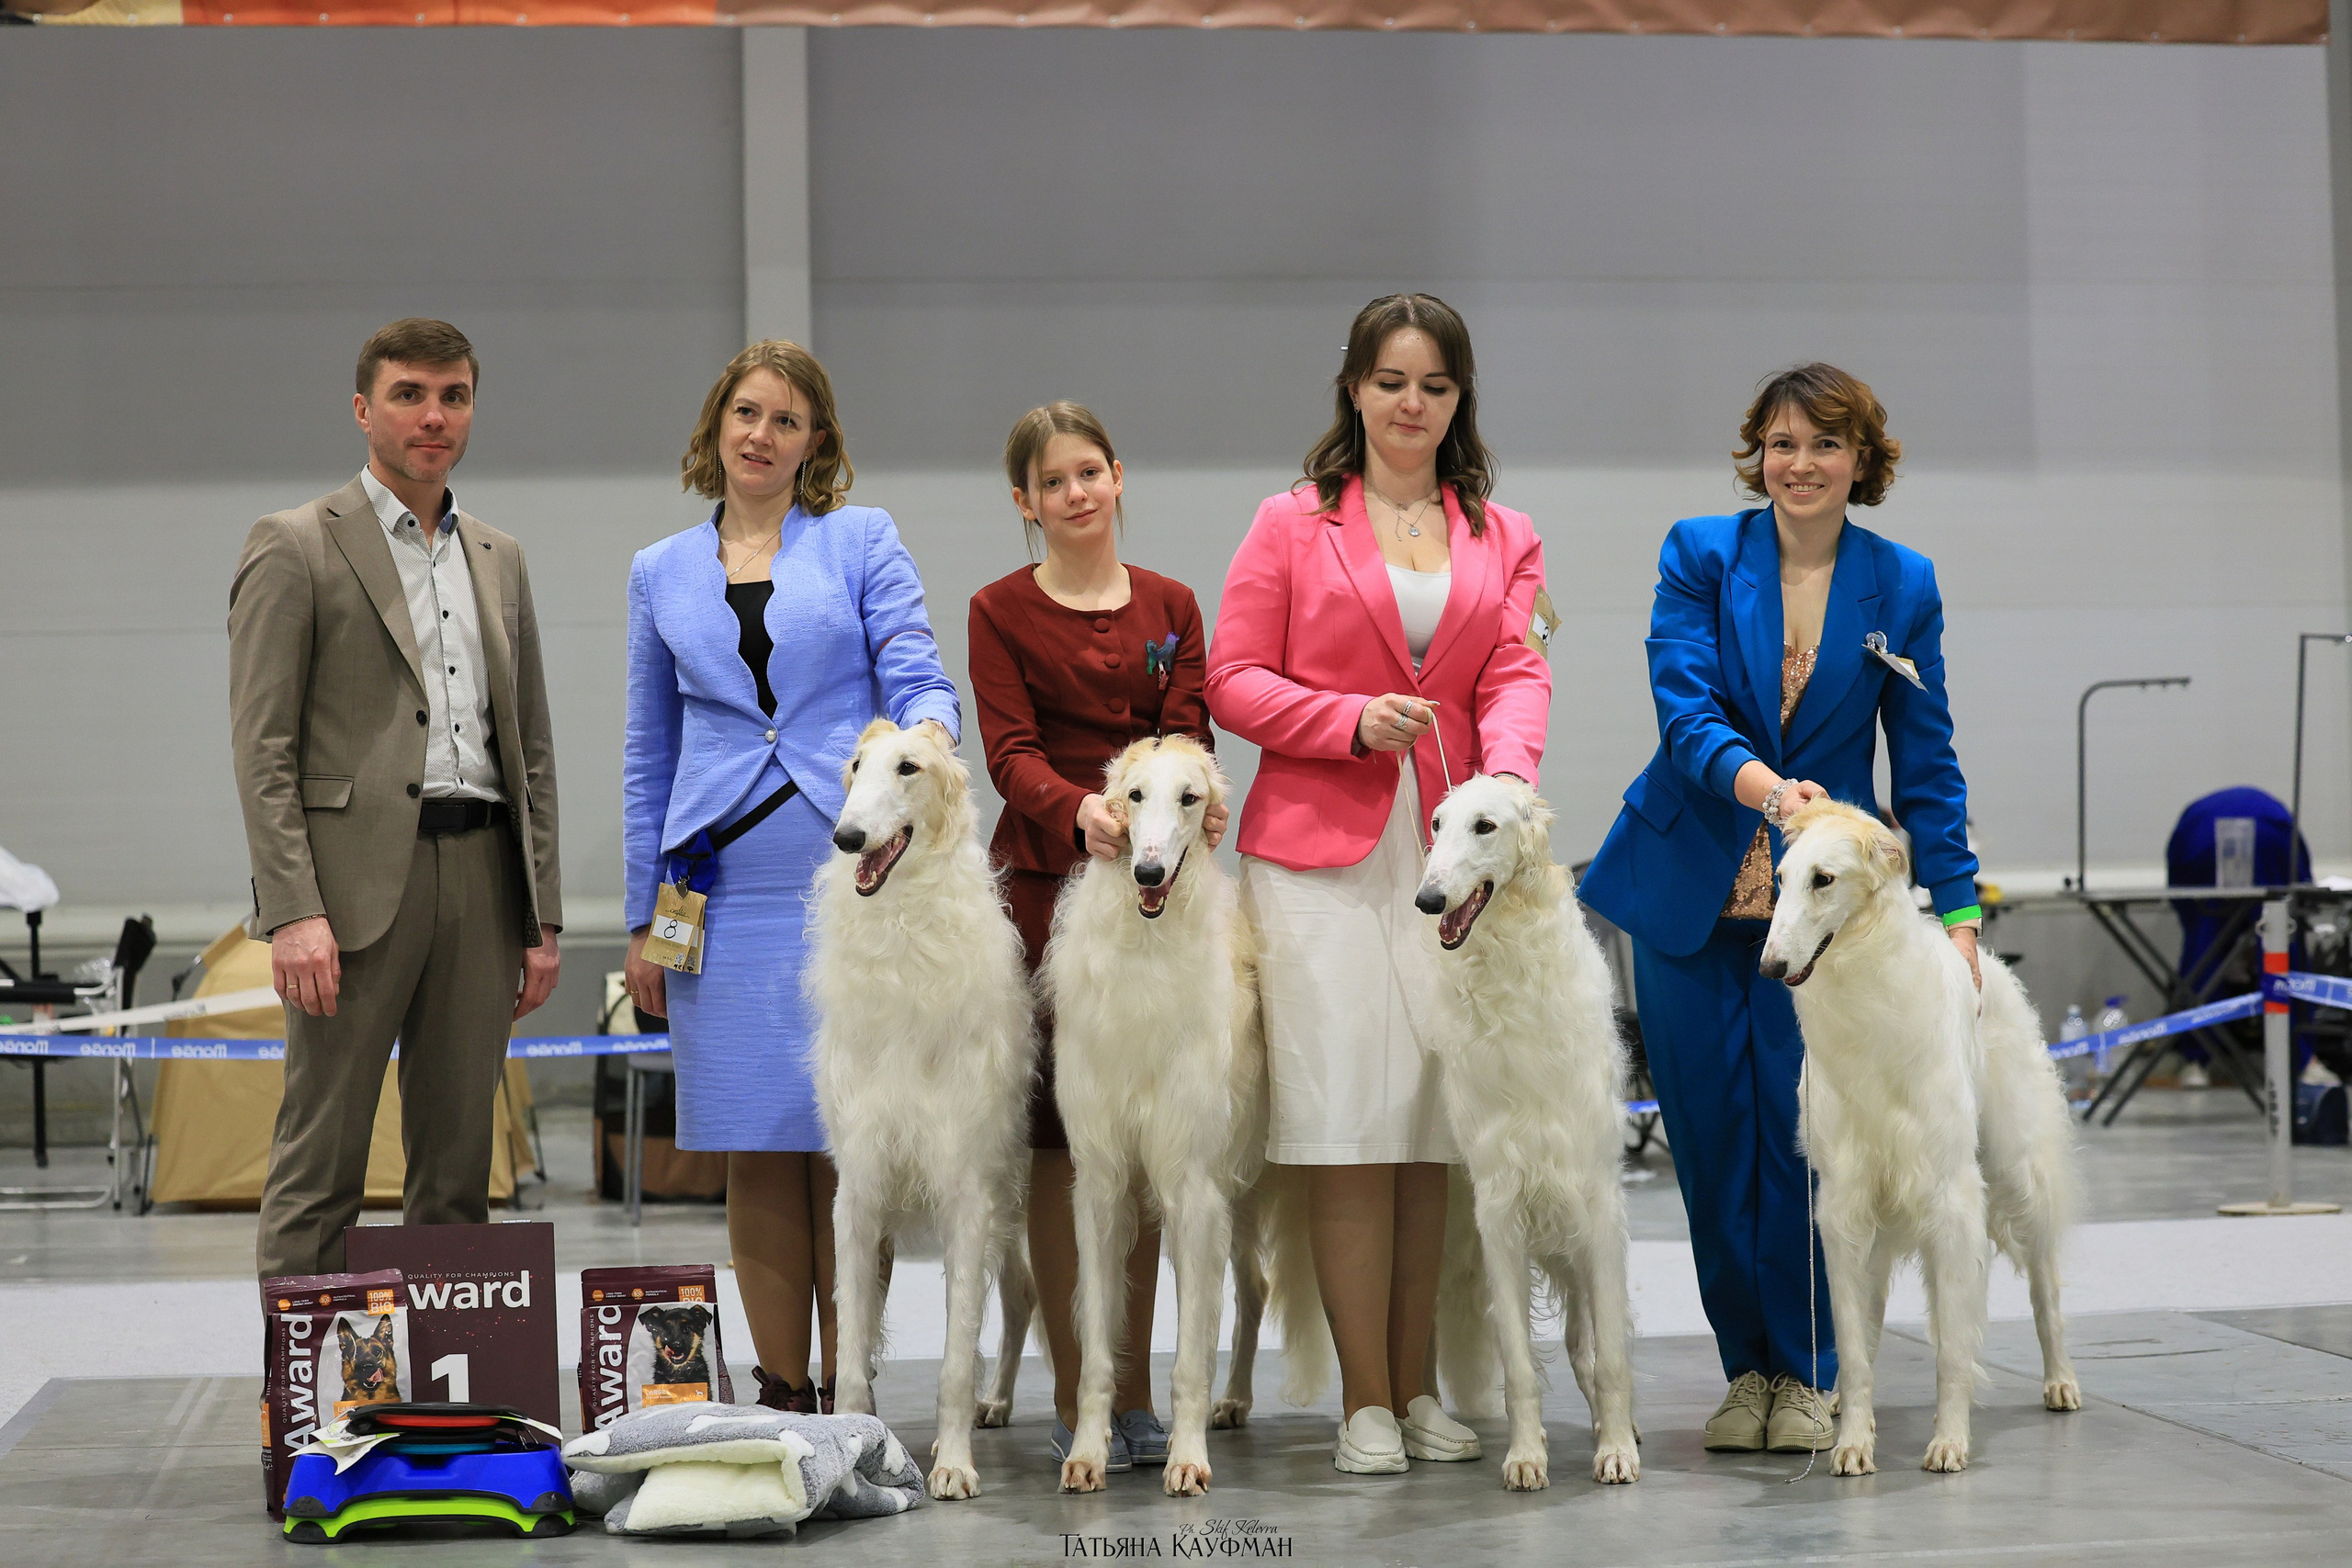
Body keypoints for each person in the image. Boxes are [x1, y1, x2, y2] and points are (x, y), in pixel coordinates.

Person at [1580, 363, 1981, 1455]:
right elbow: (1684, 708)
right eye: (1781, 443)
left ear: (1864, 460)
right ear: (1755, 452)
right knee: (1710, 1143)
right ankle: (1743, 1371)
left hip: (1825, 928)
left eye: (1824, 445)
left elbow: (1929, 762)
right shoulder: (1701, 554)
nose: (1799, 465)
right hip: (1687, 894)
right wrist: (1768, 792)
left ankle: (1808, 1375)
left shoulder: (1901, 584)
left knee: (1810, 1147)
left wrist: (1958, 911)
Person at [1204, 294, 1552, 1474]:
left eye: (1436, 387)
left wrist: (1505, 778)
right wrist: (1348, 721)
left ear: (1459, 402)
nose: (1413, 405)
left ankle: (1414, 1393)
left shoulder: (1502, 534)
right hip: (1317, 859)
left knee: (1428, 1131)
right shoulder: (1289, 522)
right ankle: (1360, 1402)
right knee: (1348, 1124)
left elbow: (1516, 669)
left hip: (1454, 856)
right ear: (1353, 388)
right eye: (1392, 381)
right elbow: (1232, 681)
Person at [620, 340, 960, 1414]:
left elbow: (912, 662)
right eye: (746, 413)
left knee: (848, 1138)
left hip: (852, 874)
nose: (761, 434)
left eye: (786, 420)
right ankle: (781, 1391)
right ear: (716, 424)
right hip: (713, 886)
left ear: (817, 443)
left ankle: (850, 1389)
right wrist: (642, 918)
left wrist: (930, 744)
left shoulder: (860, 540)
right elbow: (648, 749)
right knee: (754, 1139)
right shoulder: (658, 570)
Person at [231, 318, 563, 1280]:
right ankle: (300, 1398)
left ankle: (443, 1398)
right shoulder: (294, 544)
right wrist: (293, 911)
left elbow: (530, 749)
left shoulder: (499, 555)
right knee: (322, 1162)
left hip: (482, 876)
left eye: (454, 395)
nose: (434, 415)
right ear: (363, 409)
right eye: (411, 394)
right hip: (350, 895)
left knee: (460, 1170)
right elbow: (263, 748)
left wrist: (537, 917)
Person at [967, 401, 1225, 1473]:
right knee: (1062, 1147)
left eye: (1090, 473)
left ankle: (1136, 1393)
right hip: (1042, 888)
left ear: (1118, 477)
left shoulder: (1171, 602)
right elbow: (1007, 749)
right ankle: (1081, 1387)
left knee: (1155, 1143)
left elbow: (1194, 724)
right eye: (1053, 482)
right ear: (1025, 503)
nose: (1076, 494)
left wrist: (1197, 799)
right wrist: (1080, 810)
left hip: (1162, 899)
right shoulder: (997, 610)